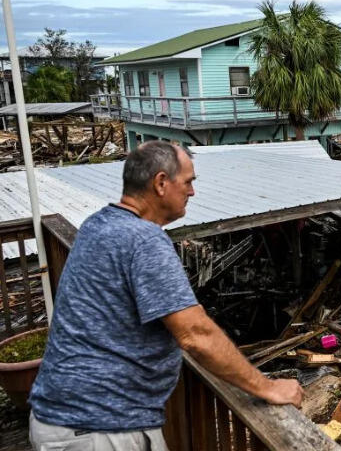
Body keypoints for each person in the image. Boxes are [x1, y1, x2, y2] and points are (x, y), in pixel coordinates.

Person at [29, 141, 303, 450]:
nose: (192, 191)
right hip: (99, 427)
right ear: (161, 183)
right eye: (188, 182)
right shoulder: (144, 240)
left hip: (68, 418)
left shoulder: (97, 225)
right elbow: (195, 334)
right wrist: (268, 387)